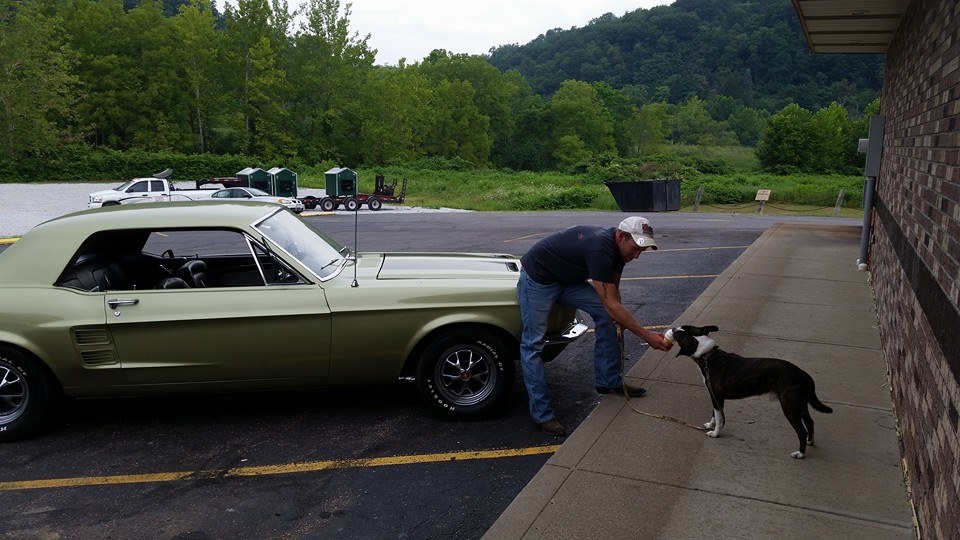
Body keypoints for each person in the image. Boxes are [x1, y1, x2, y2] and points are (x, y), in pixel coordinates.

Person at [517, 216, 672, 435]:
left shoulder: (620, 251)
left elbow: (613, 296)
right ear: (621, 236)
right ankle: (542, 414)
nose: (637, 255)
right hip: (538, 278)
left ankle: (610, 381)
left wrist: (619, 317)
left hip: (568, 280)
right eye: (635, 248)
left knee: (609, 317)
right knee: (532, 344)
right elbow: (611, 304)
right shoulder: (599, 248)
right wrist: (646, 336)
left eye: (642, 250)